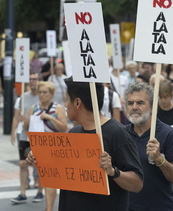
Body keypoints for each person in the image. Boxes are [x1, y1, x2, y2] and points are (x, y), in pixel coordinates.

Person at [27, 77, 144, 211]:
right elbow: (62, 172)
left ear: (77, 103)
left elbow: (137, 184)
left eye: (66, 99)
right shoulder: (73, 133)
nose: (65, 105)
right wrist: (40, 158)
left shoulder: (118, 134)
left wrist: (112, 171)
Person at [124, 82, 173, 211]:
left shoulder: (168, 134)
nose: (134, 107)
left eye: (140, 103)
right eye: (130, 103)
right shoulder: (121, 135)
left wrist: (159, 160)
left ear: (152, 106)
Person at [24, 81, 67, 211]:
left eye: (45, 92)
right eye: (40, 92)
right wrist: (25, 121)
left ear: (51, 94)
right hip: (39, 148)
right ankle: (46, 203)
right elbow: (27, 128)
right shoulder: (34, 108)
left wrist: (50, 118)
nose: (42, 95)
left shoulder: (57, 108)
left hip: (54, 149)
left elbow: (63, 127)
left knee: (50, 180)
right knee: (44, 178)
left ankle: (49, 209)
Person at [10, 72, 42, 204]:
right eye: (30, 79)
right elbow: (17, 116)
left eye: (35, 79)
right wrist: (13, 132)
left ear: (39, 80)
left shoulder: (43, 96)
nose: (32, 81)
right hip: (24, 135)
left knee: (39, 165)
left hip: (39, 136)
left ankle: (40, 191)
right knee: (23, 164)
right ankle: (22, 193)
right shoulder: (22, 98)